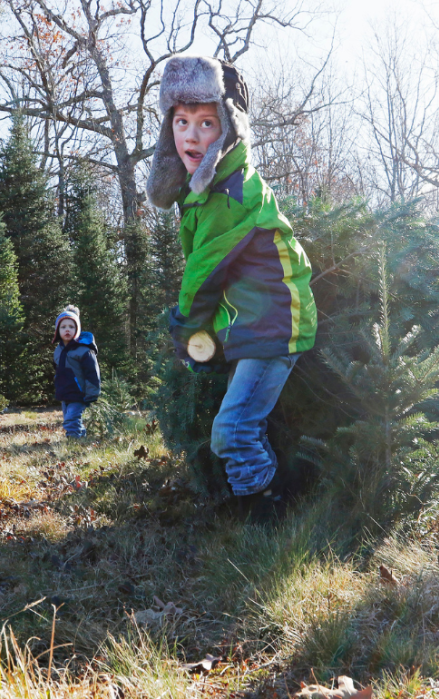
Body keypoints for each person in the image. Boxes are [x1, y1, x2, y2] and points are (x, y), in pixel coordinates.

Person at [146, 55, 317, 522]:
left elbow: (205, 269)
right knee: (241, 424)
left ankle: (266, 512)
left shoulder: (232, 190)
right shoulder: (205, 190)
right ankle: (260, 500)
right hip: (252, 323)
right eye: (181, 122)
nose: (192, 136)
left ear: (228, 130)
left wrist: (186, 328)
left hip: (275, 324)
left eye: (206, 122)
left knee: (233, 429)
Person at [52, 305, 100, 439]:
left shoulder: (84, 350)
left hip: (79, 393)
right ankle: (81, 439)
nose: (67, 330)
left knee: (71, 420)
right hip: (65, 392)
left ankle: (74, 442)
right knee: (70, 418)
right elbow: (58, 370)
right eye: (63, 327)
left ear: (77, 330)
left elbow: (92, 373)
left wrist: (92, 392)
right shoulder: (59, 350)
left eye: (71, 327)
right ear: (57, 331)